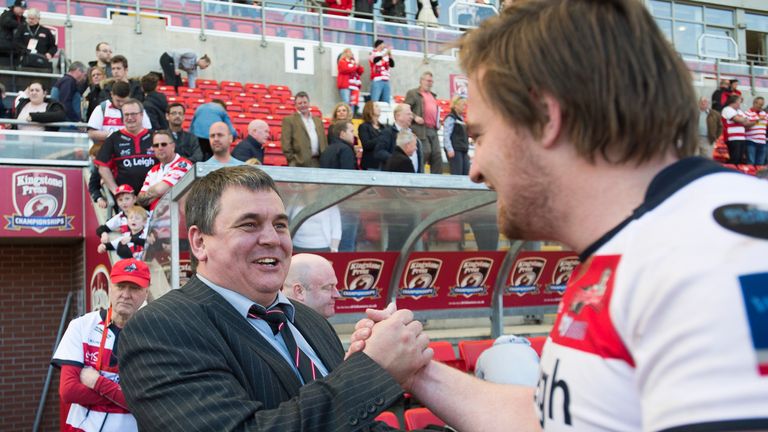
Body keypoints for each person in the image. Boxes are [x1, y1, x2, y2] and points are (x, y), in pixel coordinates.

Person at [352, 1, 768, 430]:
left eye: (480, 135)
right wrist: (420, 371)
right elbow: (554, 420)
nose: (474, 169)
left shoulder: (716, 259)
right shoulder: (638, 245)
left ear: (546, 117)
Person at [118, 165, 432, 431]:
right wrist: (373, 369)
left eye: (280, 225)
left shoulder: (307, 319)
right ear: (200, 243)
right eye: (249, 224)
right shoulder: (160, 328)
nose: (272, 239)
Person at [51, 257, 150, 432]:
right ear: (110, 287)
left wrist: (97, 382)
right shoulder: (81, 326)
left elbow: (150, 402)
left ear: (146, 292)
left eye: (134, 288)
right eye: (120, 286)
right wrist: (128, 398)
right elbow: (68, 391)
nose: (126, 295)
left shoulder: (156, 335)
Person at [95, 98, 155, 195]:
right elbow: (102, 167)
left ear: (142, 115)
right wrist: (116, 191)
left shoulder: (155, 137)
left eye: (133, 114)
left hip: (153, 197)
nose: (130, 118)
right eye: (126, 115)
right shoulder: (113, 138)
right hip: (126, 201)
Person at [138, 130, 192, 211]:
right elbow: (141, 200)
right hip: (154, 219)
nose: (160, 148)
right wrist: (156, 191)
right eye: (156, 145)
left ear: (173, 146)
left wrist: (151, 192)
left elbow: (160, 190)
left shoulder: (184, 164)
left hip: (177, 218)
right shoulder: (152, 171)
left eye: (164, 144)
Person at [282, 253, 340, 319]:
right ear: (299, 291)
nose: (337, 295)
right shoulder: (280, 326)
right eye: (328, 287)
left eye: (335, 286)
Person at [405, 71, 442, 174]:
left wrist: (437, 121)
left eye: (431, 81)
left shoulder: (433, 96)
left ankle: (437, 181)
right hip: (421, 129)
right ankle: (418, 175)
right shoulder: (413, 93)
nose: (430, 83)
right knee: (425, 152)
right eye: (428, 80)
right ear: (421, 81)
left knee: (437, 155)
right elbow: (405, 108)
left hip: (433, 129)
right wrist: (415, 117)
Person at [280, 91, 327, 167]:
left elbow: (324, 141)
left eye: (305, 102)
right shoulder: (289, 120)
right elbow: (286, 144)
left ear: (309, 103)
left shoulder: (318, 121)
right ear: (295, 105)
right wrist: (293, 161)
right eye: (300, 103)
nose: (303, 105)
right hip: (298, 163)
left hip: (318, 163)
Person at [374, 103, 423, 172]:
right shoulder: (388, 133)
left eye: (411, 114)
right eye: (408, 114)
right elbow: (379, 152)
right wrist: (397, 161)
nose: (411, 117)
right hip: (394, 177)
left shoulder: (413, 134)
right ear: (398, 116)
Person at [474, 335, 539, 387]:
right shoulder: (531, 350)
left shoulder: (485, 353)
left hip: (499, 395)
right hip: (532, 393)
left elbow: (478, 382)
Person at [721, 95, 754, 164]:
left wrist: (746, 120)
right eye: (739, 102)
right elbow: (738, 120)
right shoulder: (727, 109)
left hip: (741, 138)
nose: (740, 104)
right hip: (732, 138)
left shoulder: (739, 111)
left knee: (740, 159)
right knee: (734, 159)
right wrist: (745, 119)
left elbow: (747, 123)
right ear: (733, 102)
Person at [443, 96, 470, 175]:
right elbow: (446, 134)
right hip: (455, 150)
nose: (464, 107)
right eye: (462, 105)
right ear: (455, 105)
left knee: (466, 172)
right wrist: (449, 149)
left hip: (463, 150)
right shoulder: (451, 118)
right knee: (457, 173)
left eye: (464, 105)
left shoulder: (461, 119)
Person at [358, 101, 383, 170]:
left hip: (382, 163)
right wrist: (382, 138)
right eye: (376, 106)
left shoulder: (383, 127)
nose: (379, 108)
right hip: (370, 163)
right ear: (369, 109)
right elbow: (366, 145)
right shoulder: (364, 126)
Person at [746, 96, 767, 166]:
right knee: (751, 162)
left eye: (762, 104)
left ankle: (759, 177)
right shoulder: (747, 113)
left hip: (763, 142)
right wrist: (758, 119)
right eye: (760, 104)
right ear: (754, 103)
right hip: (751, 141)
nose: (761, 106)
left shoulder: (764, 114)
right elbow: (746, 126)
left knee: (760, 164)